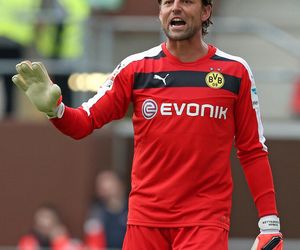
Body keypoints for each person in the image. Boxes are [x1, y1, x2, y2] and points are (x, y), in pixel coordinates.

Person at [12, 0, 283, 249]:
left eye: (186, 1)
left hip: (205, 222)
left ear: (206, 12)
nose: (175, 8)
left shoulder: (235, 71)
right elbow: (84, 123)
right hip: (145, 221)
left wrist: (269, 222)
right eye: (167, 2)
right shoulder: (136, 68)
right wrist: (55, 110)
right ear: (160, 12)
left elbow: (252, 150)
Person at [84, 170, 127, 250]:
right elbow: (92, 242)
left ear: (120, 184)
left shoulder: (131, 209)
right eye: (100, 183)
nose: (104, 186)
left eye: (108, 181)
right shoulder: (96, 212)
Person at [18, 204, 83, 250]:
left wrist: (61, 243)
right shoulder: (29, 242)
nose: (42, 222)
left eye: (46, 218)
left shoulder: (73, 243)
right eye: (39, 219)